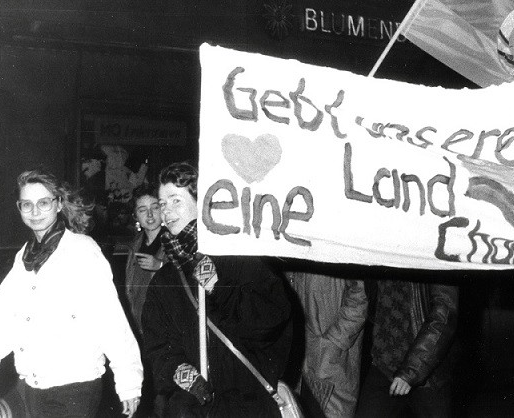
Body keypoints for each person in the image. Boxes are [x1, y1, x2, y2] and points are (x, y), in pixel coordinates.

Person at [0, 169, 143, 417]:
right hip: (32, 388)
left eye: (43, 203)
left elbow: (111, 320)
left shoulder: (82, 251)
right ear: (19, 208)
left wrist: (129, 382)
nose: (35, 212)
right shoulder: (25, 256)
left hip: (74, 389)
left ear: (59, 204)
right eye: (27, 205)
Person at [141, 162, 292, 417]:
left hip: (246, 404)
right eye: (162, 203)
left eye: (175, 201)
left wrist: (218, 288)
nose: (166, 212)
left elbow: (271, 321)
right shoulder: (165, 280)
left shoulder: (238, 258)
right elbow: (158, 346)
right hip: (195, 409)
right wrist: (183, 375)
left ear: (201, 203)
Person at [355, 274, 459, 418]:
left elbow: (444, 316)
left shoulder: (433, 255)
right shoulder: (380, 254)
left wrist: (411, 371)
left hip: (426, 373)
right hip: (383, 365)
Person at [285, 268, 368, 417]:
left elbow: (361, 295)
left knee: (331, 409)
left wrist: (335, 339)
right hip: (300, 349)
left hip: (332, 354)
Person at [126, 183, 167, 336]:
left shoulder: (173, 242)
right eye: (142, 210)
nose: (149, 215)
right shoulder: (134, 246)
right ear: (135, 216)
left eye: (155, 208)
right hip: (140, 326)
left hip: (165, 327)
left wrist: (161, 265)